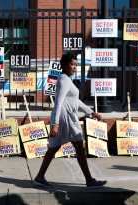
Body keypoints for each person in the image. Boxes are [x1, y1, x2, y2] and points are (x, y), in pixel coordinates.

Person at [33, 53, 107, 188]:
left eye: (76, 65)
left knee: (55, 148)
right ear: (64, 65)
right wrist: (54, 124)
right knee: (78, 146)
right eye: (72, 64)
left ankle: (39, 176)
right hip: (66, 119)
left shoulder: (67, 79)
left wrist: (92, 112)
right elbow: (58, 103)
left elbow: (75, 101)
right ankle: (89, 180)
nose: (75, 67)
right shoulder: (64, 80)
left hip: (67, 118)